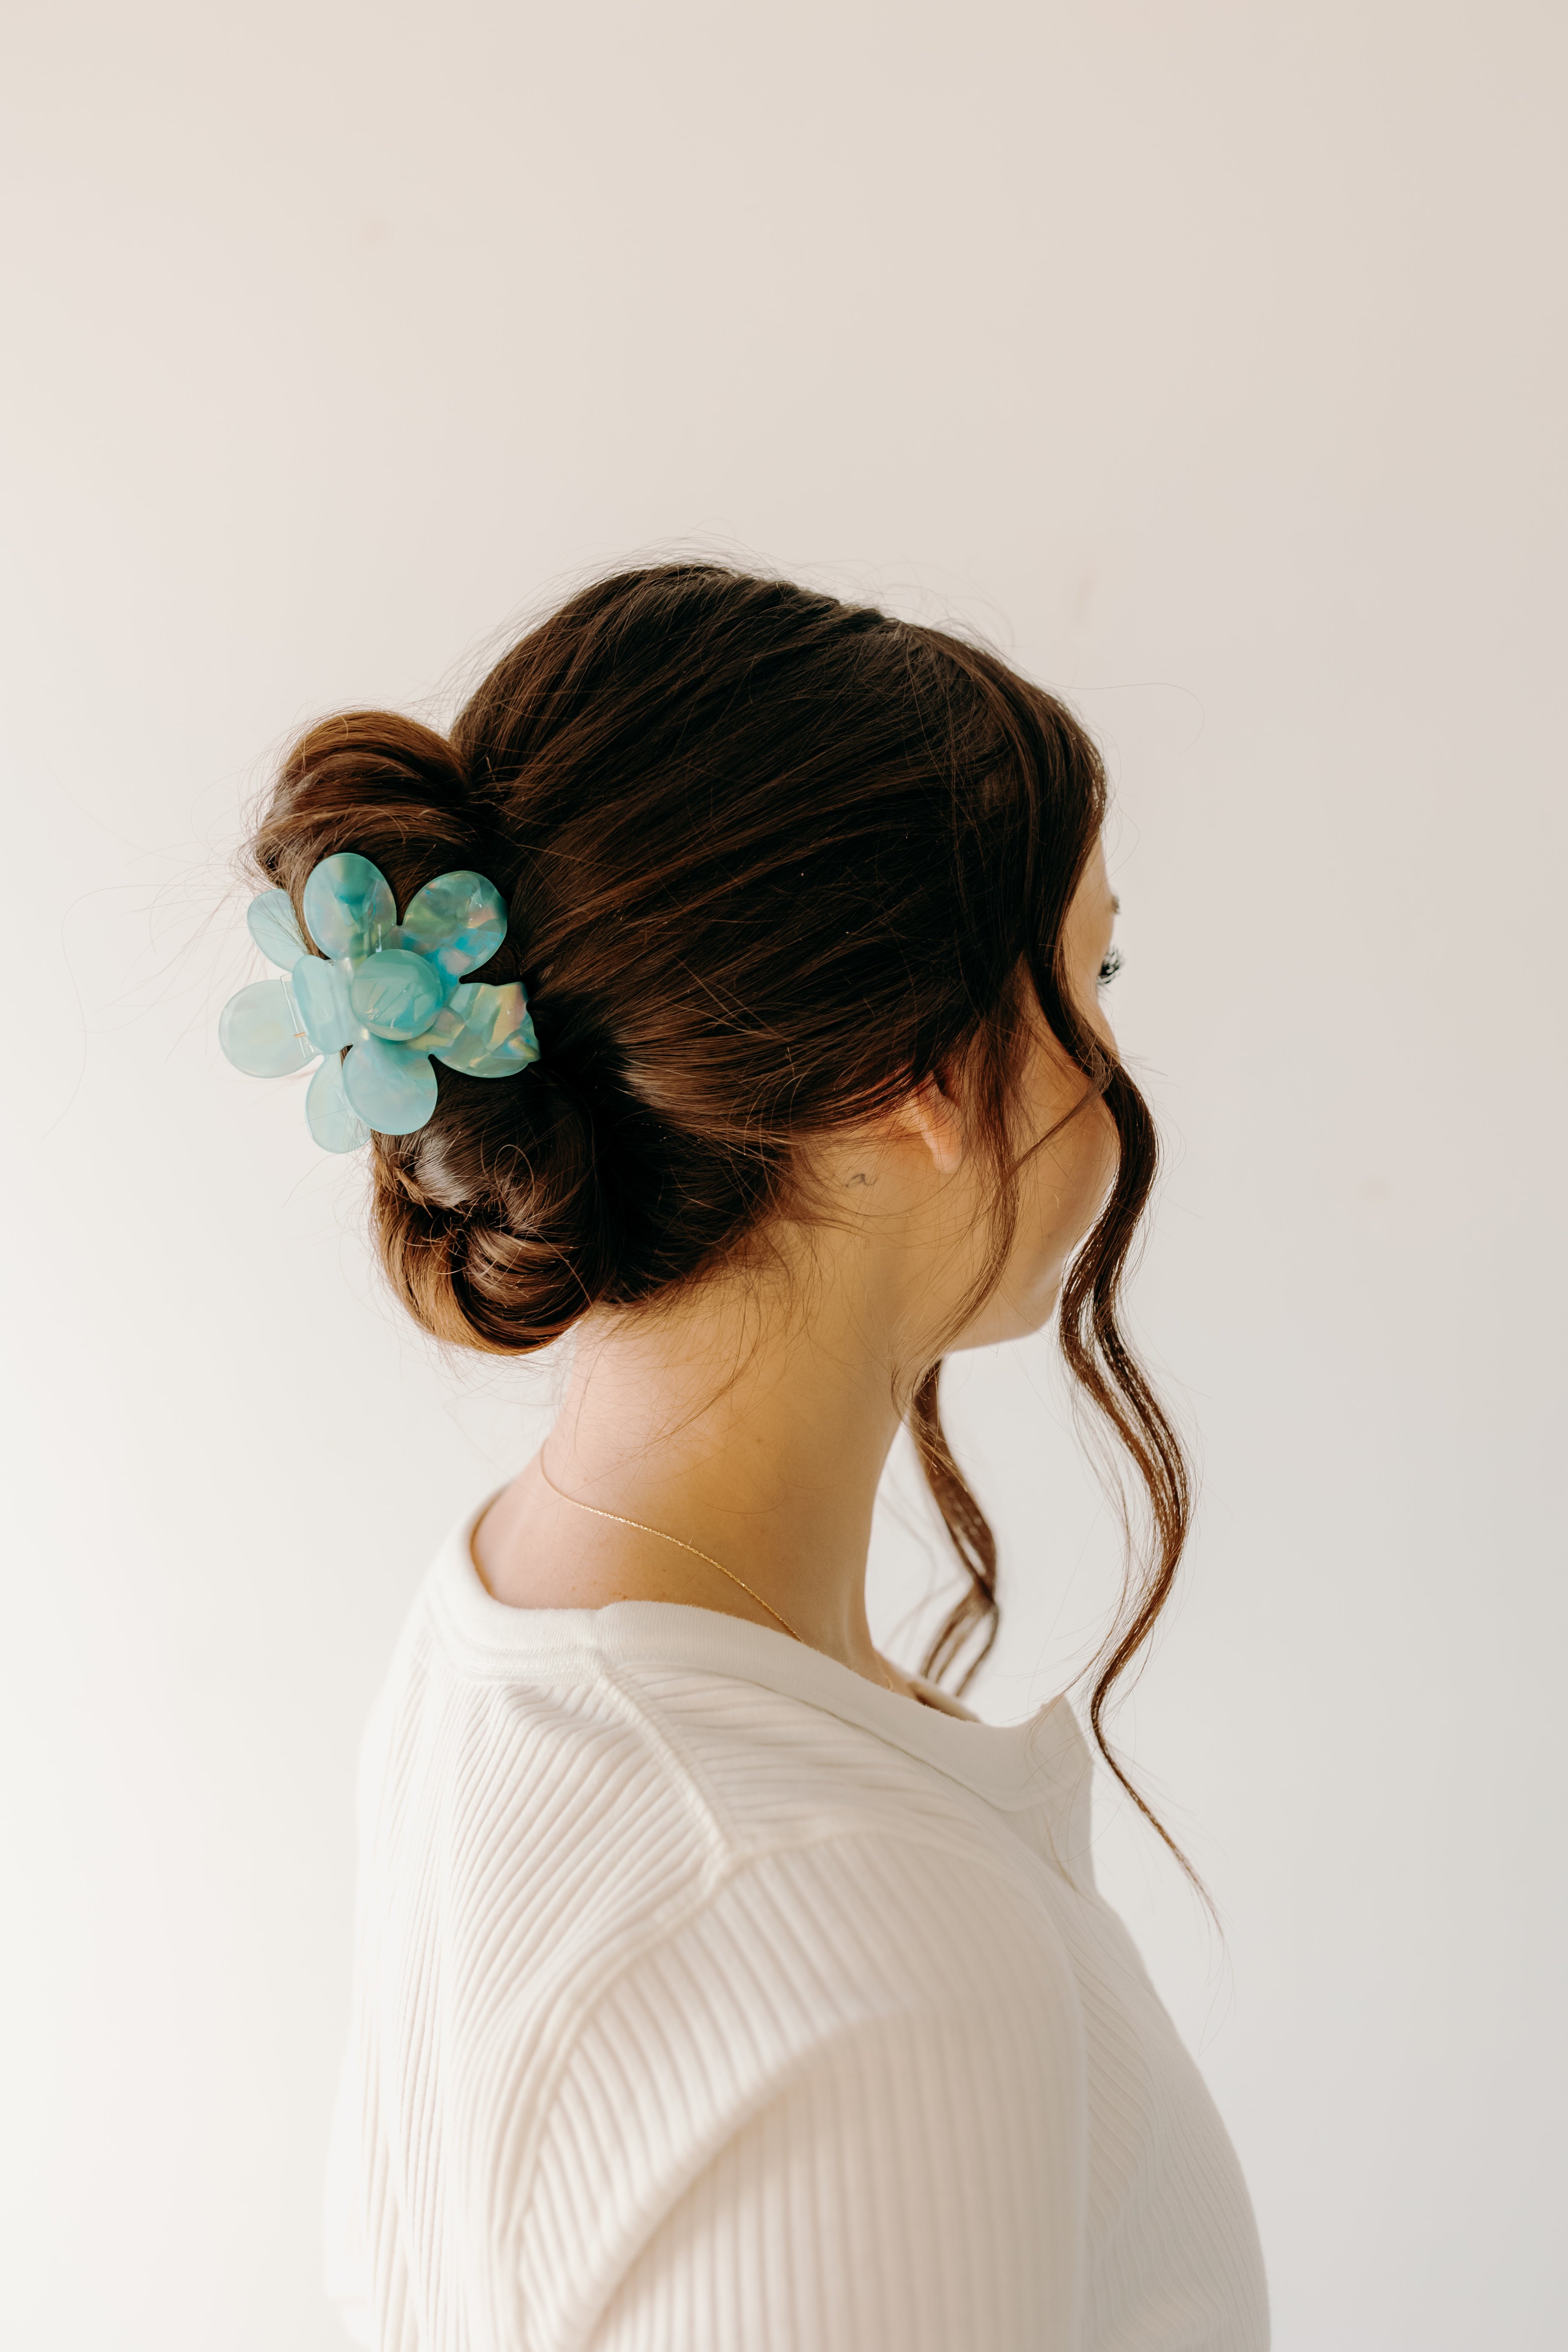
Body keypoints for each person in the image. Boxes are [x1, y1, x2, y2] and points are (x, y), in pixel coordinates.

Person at [239, 564, 1268, 2349]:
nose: (1109, 1051)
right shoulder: (864, 1956)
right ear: (910, 1075)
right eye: (1086, 970)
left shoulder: (510, 1615)